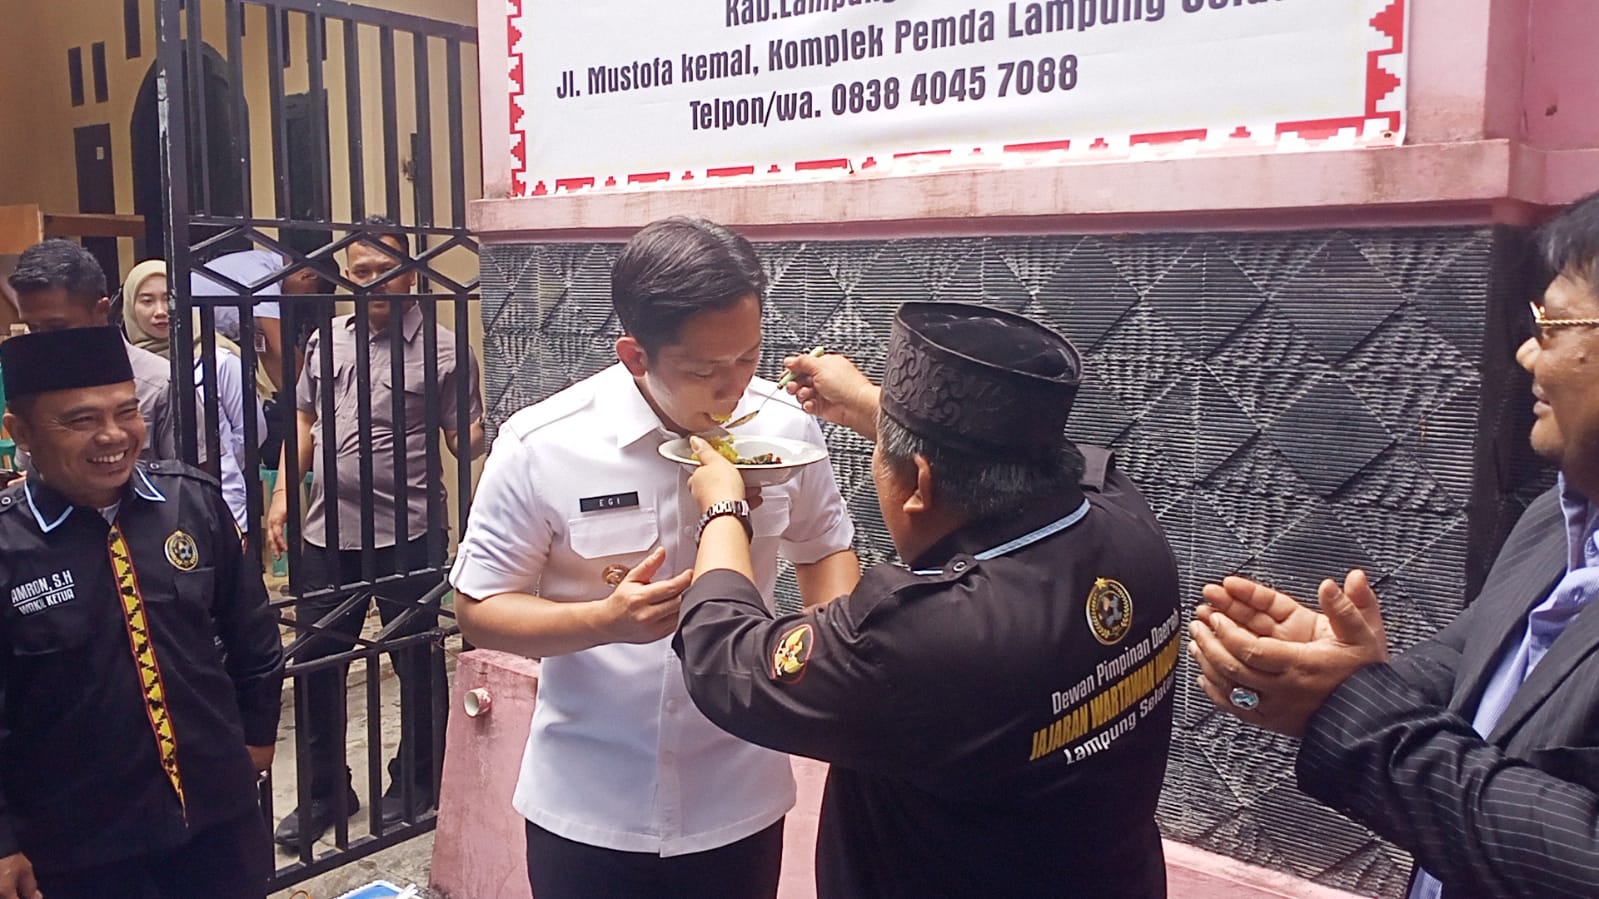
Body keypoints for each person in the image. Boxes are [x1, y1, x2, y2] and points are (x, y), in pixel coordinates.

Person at [674, 302, 1181, 898]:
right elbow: (1037, 455)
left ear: (918, 485)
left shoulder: (929, 633)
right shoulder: (1125, 517)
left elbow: (721, 654)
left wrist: (724, 507)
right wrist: (874, 405)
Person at [1189, 189, 1599, 899]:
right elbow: (1464, 669)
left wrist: (1356, 715)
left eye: (1555, 324)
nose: (1527, 352)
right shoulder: (1553, 522)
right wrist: (1318, 671)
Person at [449, 217, 861, 899]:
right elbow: (480, 607)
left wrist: (822, 657)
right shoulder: (543, 444)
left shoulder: (785, 429)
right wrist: (602, 621)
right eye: (704, 371)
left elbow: (825, 550)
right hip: (588, 800)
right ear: (635, 355)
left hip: (739, 791)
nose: (733, 389)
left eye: (748, 358)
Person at [0, 325, 284, 899]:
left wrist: (256, 738)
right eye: (81, 420)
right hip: (79, 847)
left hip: (216, 822)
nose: (113, 435)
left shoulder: (190, 502)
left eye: (126, 412)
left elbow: (252, 634)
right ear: (21, 433)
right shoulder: (8, 543)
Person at [265, 218, 486, 847]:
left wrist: (498, 418)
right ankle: (323, 794)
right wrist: (282, 496)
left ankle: (417, 783)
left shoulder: (444, 348)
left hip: (408, 531)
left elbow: (461, 440)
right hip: (325, 532)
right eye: (359, 272)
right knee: (316, 662)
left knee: (415, 660)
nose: (370, 282)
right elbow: (303, 422)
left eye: (383, 270)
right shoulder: (325, 340)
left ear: (410, 274)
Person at [123, 259, 266, 530]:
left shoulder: (218, 361)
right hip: (148, 514)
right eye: (147, 301)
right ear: (130, 306)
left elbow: (252, 432)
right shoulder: (126, 367)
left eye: (169, 299)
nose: (160, 311)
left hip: (220, 504)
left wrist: (218, 459)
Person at [6, 239, 177, 460]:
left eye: (57, 328)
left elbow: (193, 477)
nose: (43, 342)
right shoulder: (35, 381)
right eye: (33, 328)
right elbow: (30, 467)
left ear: (101, 310)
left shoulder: (159, 384)